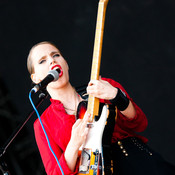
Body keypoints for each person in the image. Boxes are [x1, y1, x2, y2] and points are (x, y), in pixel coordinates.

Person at [27, 41, 175, 175]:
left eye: (56, 55)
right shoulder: (42, 124)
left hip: (140, 163)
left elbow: (139, 123)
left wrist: (116, 96)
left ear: (66, 63)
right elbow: (55, 173)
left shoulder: (101, 85)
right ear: (35, 78)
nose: (52, 60)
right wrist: (73, 144)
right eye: (42, 61)